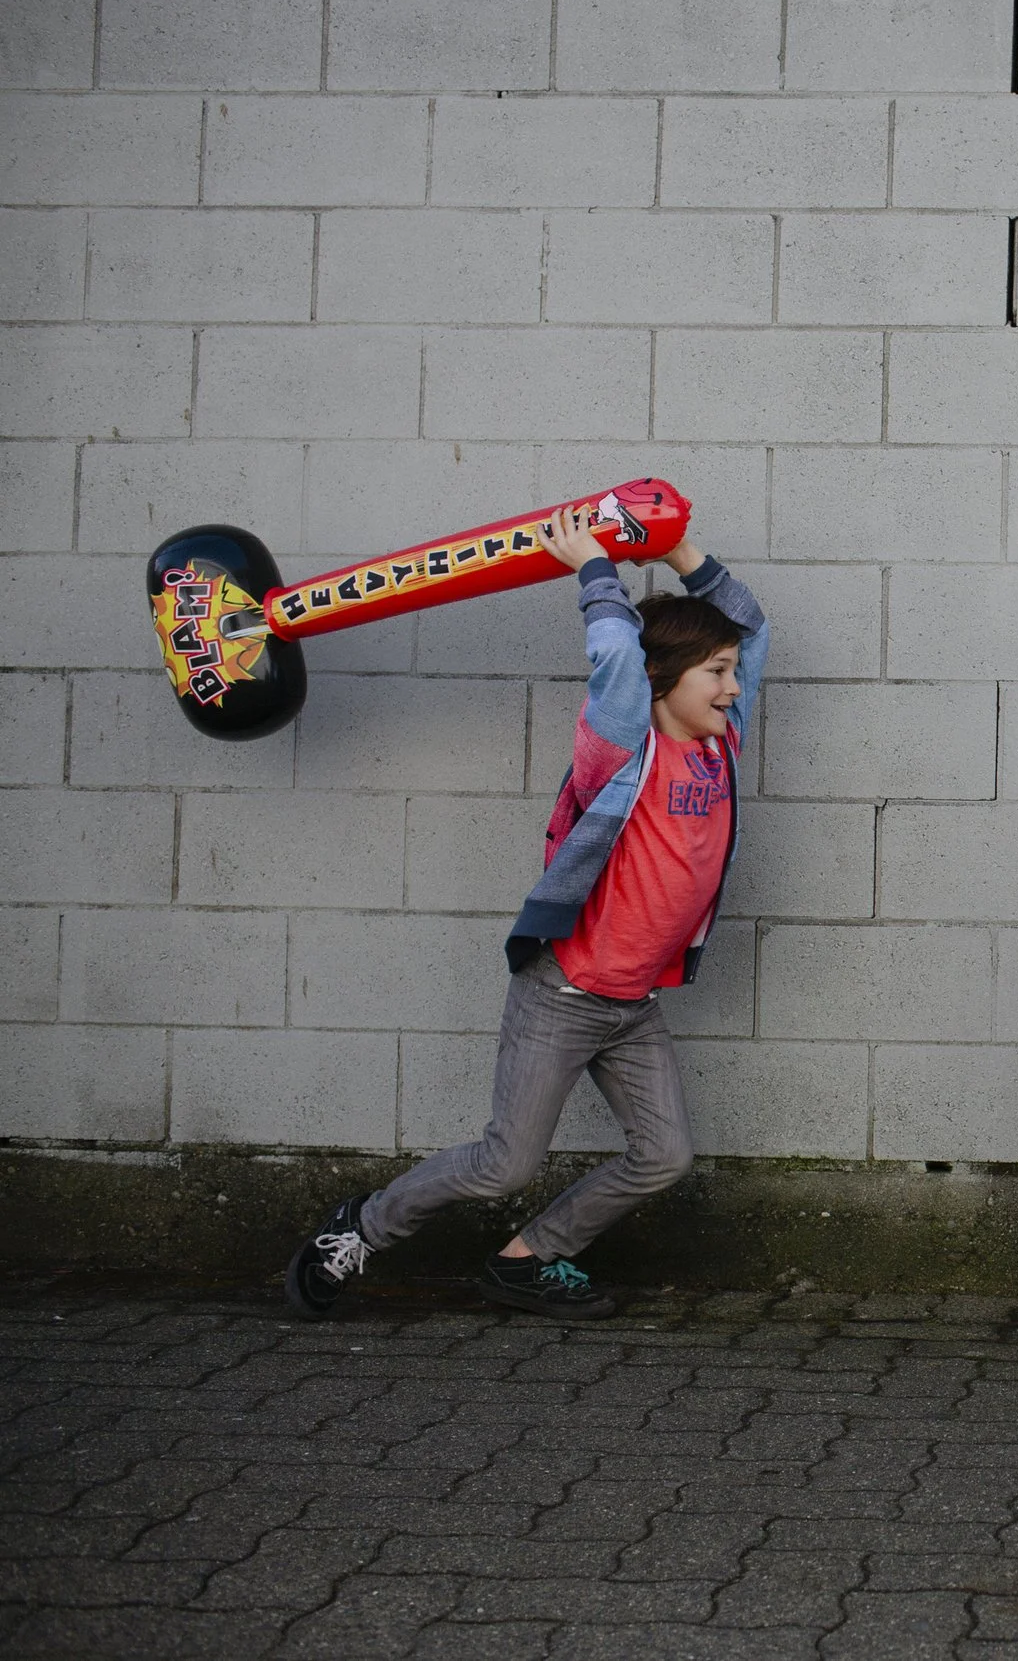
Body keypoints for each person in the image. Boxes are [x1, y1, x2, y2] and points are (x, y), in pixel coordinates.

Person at [283, 504, 767, 1322]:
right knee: (505, 1164)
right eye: (714, 672)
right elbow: (615, 655)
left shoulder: (722, 742)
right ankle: (360, 1229)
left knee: (664, 1156)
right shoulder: (623, 748)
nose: (732, 683)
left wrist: (681, 550)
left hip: (633, 1006)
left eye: (730, 670)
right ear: (661, 684)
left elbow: (752, 631)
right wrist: (594, 570)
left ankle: (524, 1260)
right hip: (563, 996)